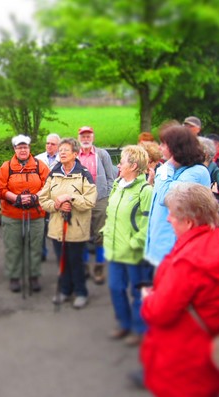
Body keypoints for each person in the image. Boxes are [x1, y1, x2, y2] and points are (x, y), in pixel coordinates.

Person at [141, 183, 219, 397]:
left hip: (186, 360)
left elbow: (159, 312)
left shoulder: (188, 262)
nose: (168, 219)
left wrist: (149, 298)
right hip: (216, 350)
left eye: (172, 215)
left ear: (189, 221)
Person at [103, 145, 153, 346]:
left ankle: (139, 329)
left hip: (133, 253)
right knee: (115, 288)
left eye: (121, 162)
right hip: (114, 251)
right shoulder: (117, 184)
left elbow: (148, 224)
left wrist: (134, 243)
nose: (118, 165)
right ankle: (124, 324)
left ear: (133, 166)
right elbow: (112, 215)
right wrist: (105, 233)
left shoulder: (145, 190)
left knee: (137, 292)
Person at [38, 138, 97, 309]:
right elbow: (43, 199)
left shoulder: (83, 173)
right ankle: (65, 290)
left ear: (75, 154)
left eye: (66, 150)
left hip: (76, 227)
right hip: (57, 227)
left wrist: (70, 199)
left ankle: (81, 293)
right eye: (61, 150)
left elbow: (90, 201)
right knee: (62, 261)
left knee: (76, 261)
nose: (62, 153)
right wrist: (56, 204)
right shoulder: (53, 173)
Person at [144, 125, 211, 270]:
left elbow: (165, 198)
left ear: (176, 147)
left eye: (163, 144)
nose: (160, 147)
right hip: (163, 251)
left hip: (178, 253)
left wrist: (166, 166)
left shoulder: (196, 172)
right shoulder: (174, 169)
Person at [0, 134, 49, 294]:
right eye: (19, 147)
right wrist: (16, 198)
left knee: (35, 248)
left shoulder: (40, 166)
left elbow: (50, 185)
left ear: (29, 148)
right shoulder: (6, 167)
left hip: (36, 214)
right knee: (14, 247)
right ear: (14, 149)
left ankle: (34, 276)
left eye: (25, 147)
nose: (23, 150)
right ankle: (14, 277)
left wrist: (35, 197)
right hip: (12, 215)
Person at [77, 126, 115, 285]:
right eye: (83, 136)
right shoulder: (75, 155)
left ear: (92, 137)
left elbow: (110, 177)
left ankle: (99, 266)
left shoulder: (102, 154)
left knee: (100, 234)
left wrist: (107, 196)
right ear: (79, 138)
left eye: (88, 136)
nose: (86, 139)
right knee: (82, 234)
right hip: (81, 200)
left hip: (100, 199)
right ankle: (84, 266)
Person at [35, 133, 60, 262]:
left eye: (53, 144)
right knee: (41, 226)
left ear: (59, 146)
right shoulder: (37, 159)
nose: (49, 146)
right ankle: (42, 252)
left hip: (57, 198)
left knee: (57, 226)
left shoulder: (64, 159)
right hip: (42, 197)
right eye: (47, 143)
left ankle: (60, 255)